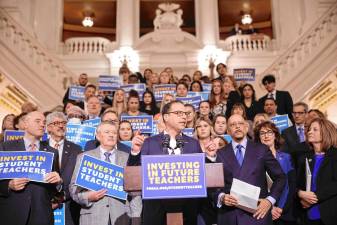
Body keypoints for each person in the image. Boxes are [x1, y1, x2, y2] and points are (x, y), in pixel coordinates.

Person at [128, 100, 209, 225]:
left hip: (187, 212)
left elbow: (203, 176)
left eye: (185, 114)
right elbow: (134, 177)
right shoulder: (149, 142)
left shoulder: (193, 144)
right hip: (156, 212)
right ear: (166, 117)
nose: (184, 116)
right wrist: (135, 152)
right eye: (178, 113)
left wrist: (211, 157)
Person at [216, 114, 286, 225]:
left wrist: (269, 201)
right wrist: (222, 197)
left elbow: (280, 177)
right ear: (228, 131)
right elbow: (215, 186)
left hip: (258, 214)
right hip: (231, 216)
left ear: (246, 127)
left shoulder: (261, 149)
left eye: (240, 124)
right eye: (233, 125)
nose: (237, 127)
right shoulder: (220, 153)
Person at [70, 122, 142, 225]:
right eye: (107, 132)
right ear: (98, 136)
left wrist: (136, 218)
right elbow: (73, 189)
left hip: (122, 217)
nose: (111, 135)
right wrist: (88, 197)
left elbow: (135, 192)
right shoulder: (84, 157)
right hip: (92, 217)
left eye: (114, 132)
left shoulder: (127, 158)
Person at [0, 111, 62, 225]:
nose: (42, 125)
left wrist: (58, 182)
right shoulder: (5, 147)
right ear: (25, 124)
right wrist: (8, 185)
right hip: (11, 213)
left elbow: (54, 191)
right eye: (37, 121)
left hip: (41, 215)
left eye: (44, 122)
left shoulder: (52, 152)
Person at [254, 121, 297, 225]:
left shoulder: (287, 157)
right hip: (263, 211)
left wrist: (281, 208)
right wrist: (270, 208)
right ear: (258, 137)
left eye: (269, 132)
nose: (266, 135)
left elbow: (290, 185)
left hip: (285, 211)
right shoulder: (254, 159)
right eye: (262, 133)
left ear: (275, 135)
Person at [297, 118, 337, 225]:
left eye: (315, 129)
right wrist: (300, 194)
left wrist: (313, 197)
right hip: (308, 216)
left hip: (330, 214)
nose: (309, 131)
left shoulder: (335, 155)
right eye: (309, 129)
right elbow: (297, 184)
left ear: (325, 132)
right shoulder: (304, 158)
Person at [44, 112, 82, 225]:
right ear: (49, 127)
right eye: (56, 123)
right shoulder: (40, 147)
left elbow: (77, 178)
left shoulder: (77, 149)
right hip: (44, 205)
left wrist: (63, 196)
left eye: (63, 123)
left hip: (69, 206)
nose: (61, 126)